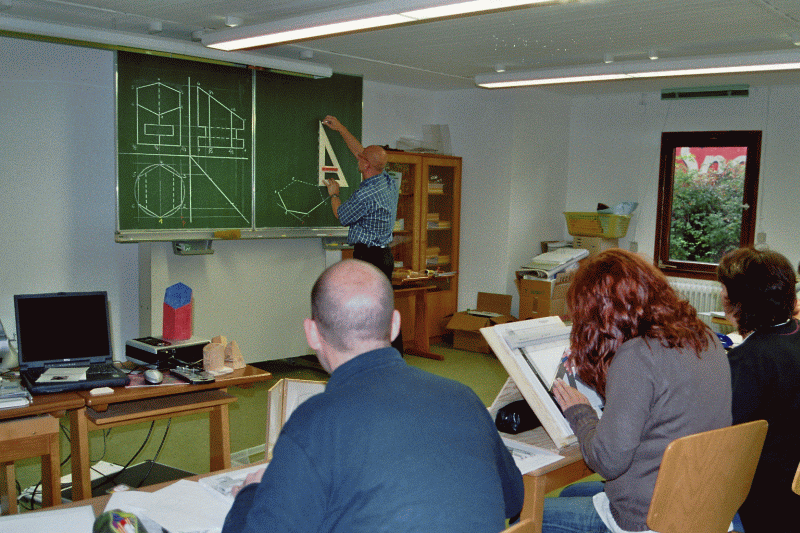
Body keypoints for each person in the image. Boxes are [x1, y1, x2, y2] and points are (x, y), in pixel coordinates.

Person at [221, 259, 524, 533]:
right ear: (395, 325)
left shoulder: (315, 422)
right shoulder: (463, 397)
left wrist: (250, 492)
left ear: (312, 333)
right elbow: (513, 500)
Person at [541, 249, 732, 533]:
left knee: (529, 515)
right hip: (700, 501)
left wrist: (580, 413)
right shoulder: (702, 336)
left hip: (649, 518)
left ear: (603, 312)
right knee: (571, 493)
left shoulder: (637, 355)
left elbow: (607, 463)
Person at [717, 247, 800, 533]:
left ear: (740, 302)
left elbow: (721, 441)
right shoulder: (793, 333)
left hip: (762, 503)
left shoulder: (748, 361)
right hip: (791, 491)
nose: (721, 295)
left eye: (724, 289)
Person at [322, 115, 403, 354]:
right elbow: (359, 150)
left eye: (362, 157)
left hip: (369, 258)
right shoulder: (388, 180)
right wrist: (341, 128)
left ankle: (372, 354)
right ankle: (394, 355)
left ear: (366, 165)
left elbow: (342, 215)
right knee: (383, 308)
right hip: (384, 257)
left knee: (367, 310)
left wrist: (334, 194)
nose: (357, 156)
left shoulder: (367, 194)